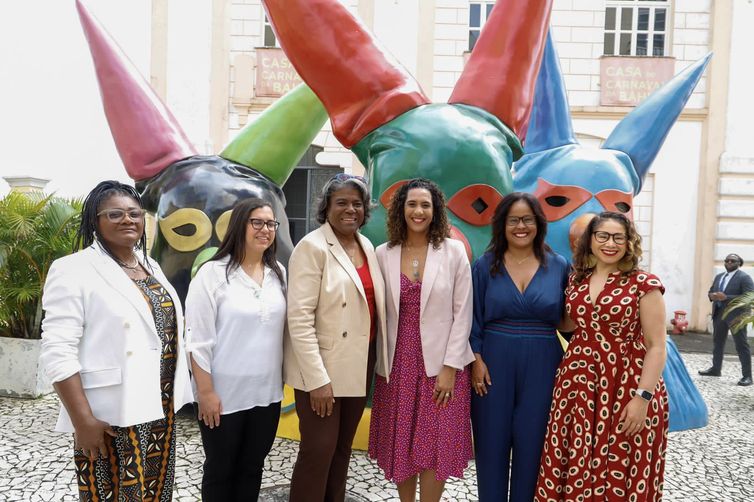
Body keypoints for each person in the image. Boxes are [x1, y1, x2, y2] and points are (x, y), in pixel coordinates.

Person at [39, 180, 193, 502]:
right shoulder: (73, 269)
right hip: (109, 413)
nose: (128, 220)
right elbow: (57, 350)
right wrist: (83, 420)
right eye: (115, 214)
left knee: (154, 491)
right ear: (95, 221)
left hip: (158, 405)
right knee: (111, 494)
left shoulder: (149, 266)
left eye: (134, 213)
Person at [535, 211, 668, 501]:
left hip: (626, 384)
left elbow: (657, 345)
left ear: (629, 242)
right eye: (603, 236)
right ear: (591, 241)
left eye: (619, 237)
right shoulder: (578, 281)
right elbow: (567, 324)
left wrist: (642, 398)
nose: (611, 243)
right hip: (578, 385)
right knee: (575, 458)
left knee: (620, 463)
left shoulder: (644, 284)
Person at [368, 178, 474, 501]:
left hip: (441, 365)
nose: (418, 211)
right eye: (411, 204)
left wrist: (451, 367)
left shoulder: (453, 251)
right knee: (403, 442)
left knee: (434, 444)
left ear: (435, 210)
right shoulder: (383, 253)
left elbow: (463, 311)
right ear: (400, 209)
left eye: (425, 205)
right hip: (398, 363)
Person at [285, 173, 389, 502]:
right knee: (319, 450)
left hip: (359, 361)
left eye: (357, 204)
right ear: (326, 208)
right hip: (323, 366)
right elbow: (299, 318)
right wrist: (317, 380)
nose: (350, 210)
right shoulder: (312, 247)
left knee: (342, 449)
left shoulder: (365, 245)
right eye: (341, 202)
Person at [469, 192, 570, 502]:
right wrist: (475, 359)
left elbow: (570, 318)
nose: (521, 226)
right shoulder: (486, 265)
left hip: (544, 362)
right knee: (491, 446)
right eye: (514, 220)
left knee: (533, 447)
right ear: (502, 224)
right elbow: (470, 316)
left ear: (538, 223)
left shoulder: (559, 265)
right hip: (492, 363)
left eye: (527, 219)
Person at [184, 198, 287, 500]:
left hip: (267, 394)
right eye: (257, 222)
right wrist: (205, 392)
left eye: (271, 224)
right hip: (223, 396)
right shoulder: (213, 274)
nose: (265, 229)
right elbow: (197, 338)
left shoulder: (278, 272)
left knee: (252, 468)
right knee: (220, 470)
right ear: (239, 225)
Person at [699, 253, 754, 386]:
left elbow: (749, 297)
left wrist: (726, 297)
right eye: (727, 260)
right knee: (718, 343)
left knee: (741, 345)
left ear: (739, 263)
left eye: (733, 261)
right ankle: (715, 369)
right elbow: (711, 291)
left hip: (737, 316)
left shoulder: (744, 278)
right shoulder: (719, 277)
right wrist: (711, 295)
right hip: (719, 314)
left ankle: (747, 376)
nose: (729, 262)